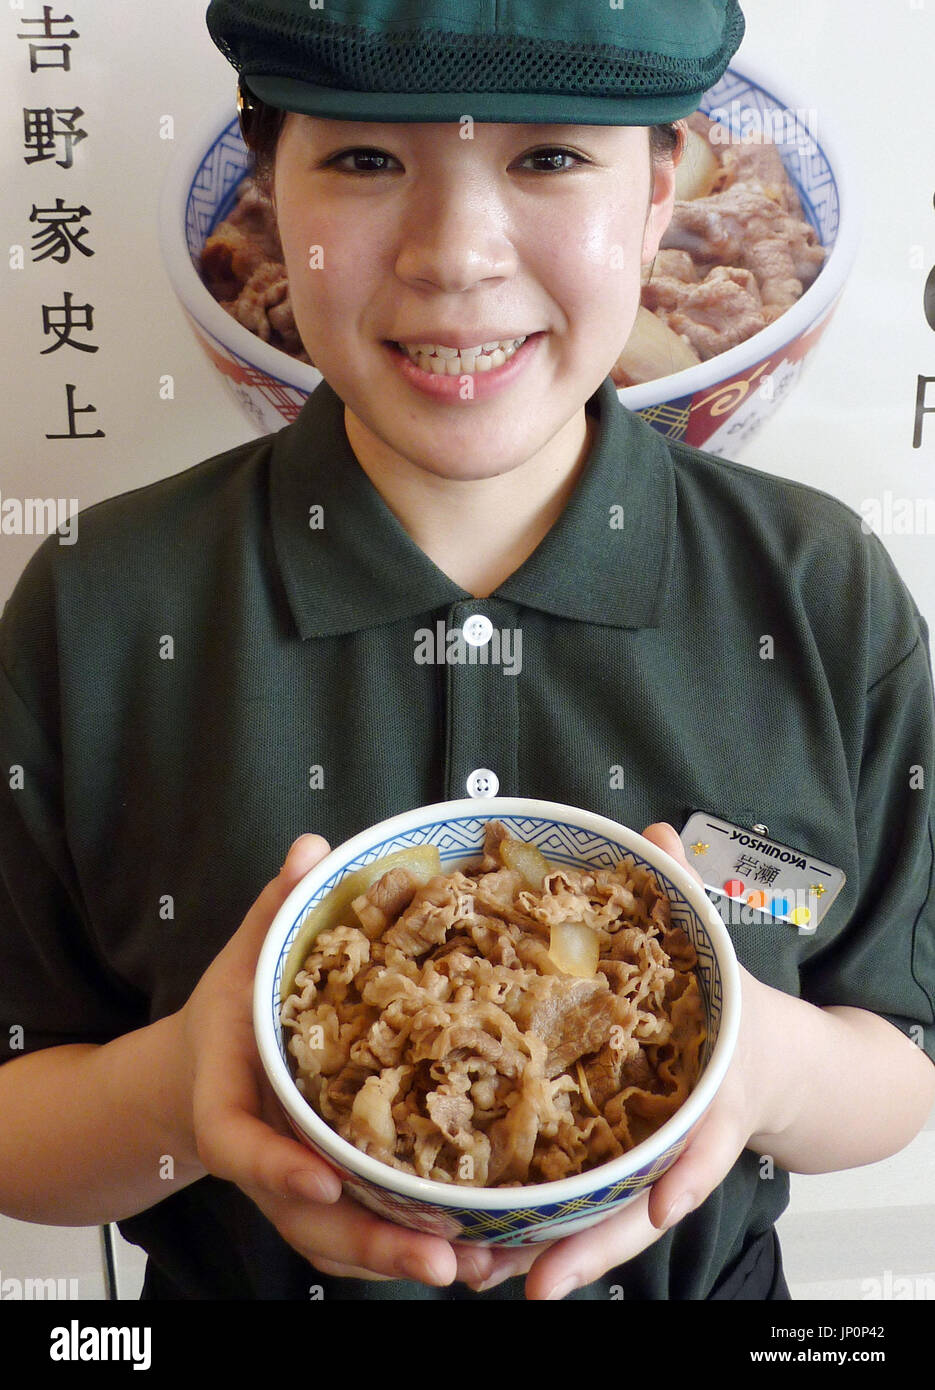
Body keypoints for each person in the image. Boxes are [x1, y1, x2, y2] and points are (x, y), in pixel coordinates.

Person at [0, 0, 933, 1301]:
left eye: (549, 157)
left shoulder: (821, 592)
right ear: (267, 183)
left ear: (660, 187)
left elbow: (896, 1049)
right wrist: (183, 1087)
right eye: (369, 160)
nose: (455, 256)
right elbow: (16, 1122)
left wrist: (759, 1065)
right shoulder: (100, 605)